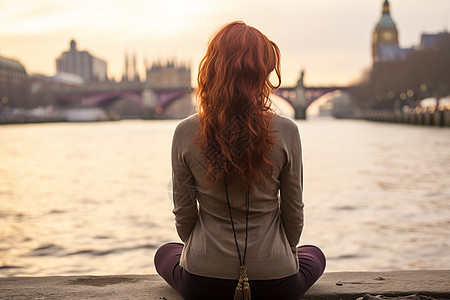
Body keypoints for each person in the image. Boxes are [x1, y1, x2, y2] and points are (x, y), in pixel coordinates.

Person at [155, 21, 325, 300]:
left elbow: (184, 217)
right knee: (314, 254)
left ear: (212, 71)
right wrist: (278, 257)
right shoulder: (287, 131)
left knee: (166, 252)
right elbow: (293, 215)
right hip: (276, 282)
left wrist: (207, 255)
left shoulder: (185, 132)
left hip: (203, 281)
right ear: (261, 75)